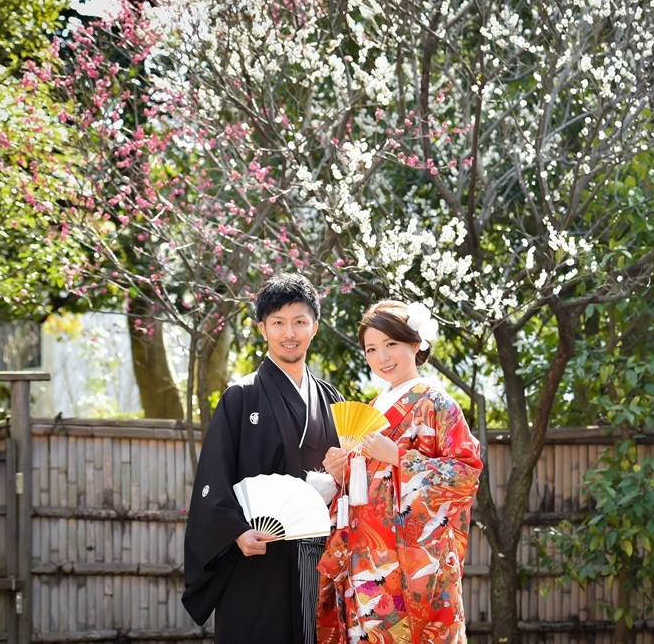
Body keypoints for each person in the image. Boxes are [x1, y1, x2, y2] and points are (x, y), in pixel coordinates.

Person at [182, 273, 344, 644]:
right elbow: (213, 480)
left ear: (315, 327)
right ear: (262, 329)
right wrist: (236, 532)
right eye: (278, 322)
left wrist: (340, 474)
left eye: (300, 322)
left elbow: (353, 480)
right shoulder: (241, 397)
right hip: (256, 555)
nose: (290, 333)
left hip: (318, 558)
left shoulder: (331, 399)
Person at [316, 300, 483, 644]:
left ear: (416, 343)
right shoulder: (373, 408)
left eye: (391, 344)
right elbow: (364, 486)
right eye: (371, 349)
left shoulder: (437, 403)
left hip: (415, 561)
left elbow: (465, 475)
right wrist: (340, 473)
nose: (382, 357)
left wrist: (398, 457)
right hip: (365, 556)